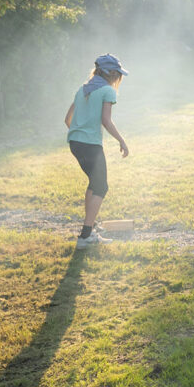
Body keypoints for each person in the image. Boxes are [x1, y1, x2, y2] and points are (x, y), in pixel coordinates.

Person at [64, 54, 130, 246]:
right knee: (101, 186)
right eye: (118, 74)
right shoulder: (107, 91)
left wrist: (79, 133)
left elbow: (67, 119)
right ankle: (85, 237)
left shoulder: (82, 89)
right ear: (111, 73)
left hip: (75, 143)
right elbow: (106, 121)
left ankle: (89, 228)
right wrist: (122, 141)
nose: (118, 78)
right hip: (90, 145)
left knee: (94, 184)